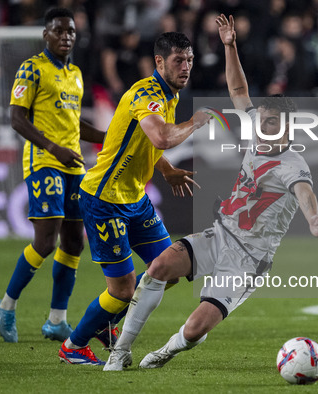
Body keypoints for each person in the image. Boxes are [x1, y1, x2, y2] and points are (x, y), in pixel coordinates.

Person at [102, 14, 318, 371]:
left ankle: (165, 351)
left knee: (194, 330)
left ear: (287, 127)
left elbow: (304, 193)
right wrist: (230, 46)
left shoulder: (293, 165)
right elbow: (239, 91)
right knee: (160, 266)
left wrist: (314, 219)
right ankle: (120, 351)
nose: (263, 127)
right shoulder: (258, 129)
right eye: (263, 121)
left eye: (271, 123)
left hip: (248, 259)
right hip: (220, 234)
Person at [0, 8, 193, 344]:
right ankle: (7, 305)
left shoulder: (75, 75)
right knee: (45, 241)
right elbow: (16, 118)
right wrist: (53, 147)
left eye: (70, 31)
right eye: (58, 31)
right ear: (46, 35)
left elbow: (78, 126)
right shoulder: (32, 68)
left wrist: (115, 133)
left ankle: (59, 320)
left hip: (75, 164)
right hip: (45, 160)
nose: (66, 37)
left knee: (72, 243)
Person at [58, 31, 212, 365]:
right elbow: (160, 136)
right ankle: (73, 345)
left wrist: (166, 168)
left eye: (189, 60)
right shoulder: (146, 93)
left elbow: (139, 143)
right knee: (123, 290)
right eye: (178, 61)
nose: (186, 67)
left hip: (134, 198)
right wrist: (195, 122)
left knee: (169, 270)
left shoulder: (167, 94)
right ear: (159, 62)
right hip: (105, 199)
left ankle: (105, 321)